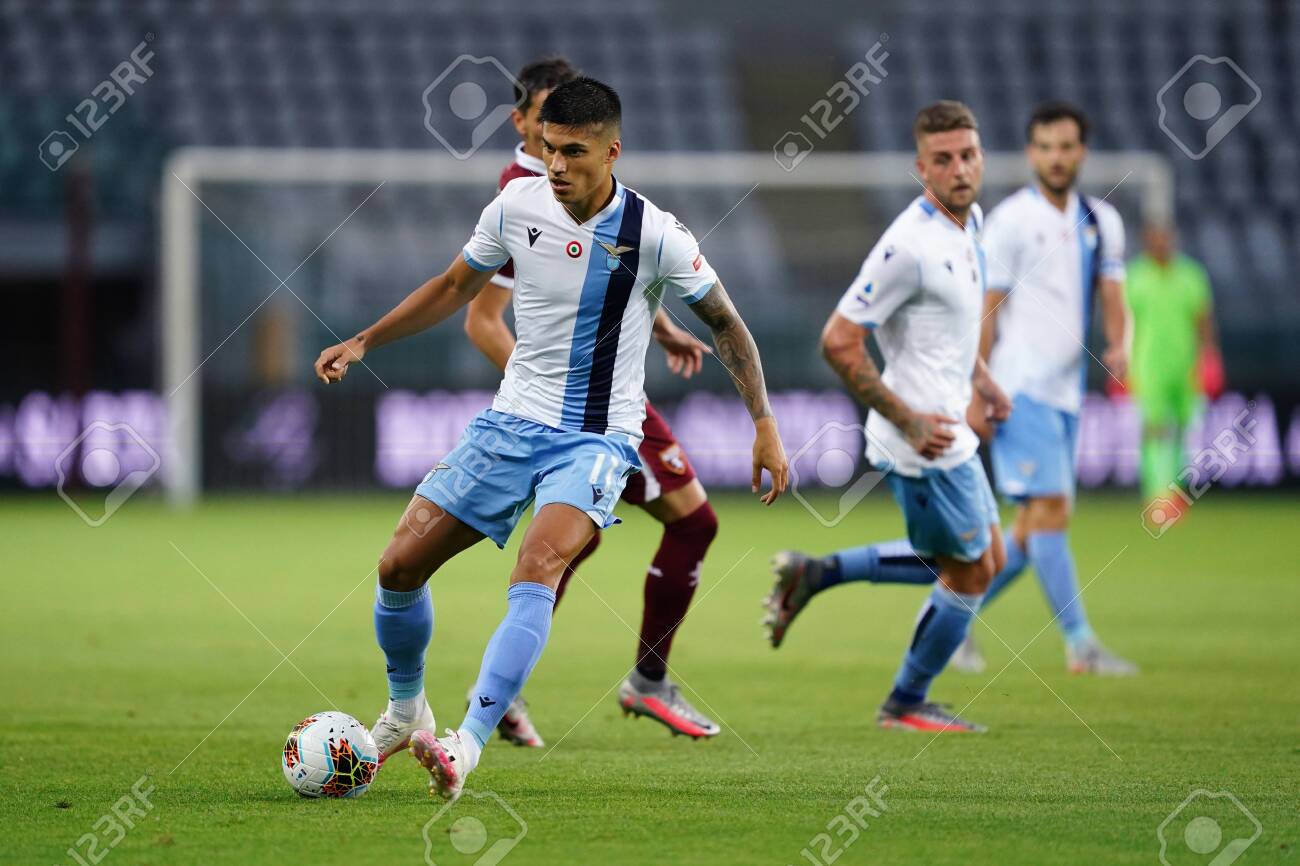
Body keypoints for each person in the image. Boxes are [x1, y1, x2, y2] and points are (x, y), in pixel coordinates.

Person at [314, 77, 788, 803]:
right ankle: (406, 709)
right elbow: (452, 287)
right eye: (546, 149)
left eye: (572, 152)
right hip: (510, 425)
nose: (556, 165)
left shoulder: (655, 233)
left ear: (610, 151)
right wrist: (365, 340)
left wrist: (764, 424)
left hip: (595, 440)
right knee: (398, 568)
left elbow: (726, 322)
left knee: (539, 568)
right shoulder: (515, 206)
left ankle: (465, 746)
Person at [464, 57, 726, 745]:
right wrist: (556, 399)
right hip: (592, 411)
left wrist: (663, 323)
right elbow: (480, 320)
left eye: (573, 139)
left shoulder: (570, 193)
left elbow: (609, 275)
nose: (560, 151)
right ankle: (642, 682)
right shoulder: (525, 197)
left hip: (601, 399)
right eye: (550, 134)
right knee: (691, 525)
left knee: (572, 543)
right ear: (523, 124)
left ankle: (508, 688)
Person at [763, 101, 1011, 733]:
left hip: (950, 427)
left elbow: (949, 334)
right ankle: (905, 702)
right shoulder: (909, 246)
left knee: (989, 557)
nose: (960, 169)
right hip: (921, 442)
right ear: (920, 167)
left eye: (969, 155)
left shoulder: (969, 222)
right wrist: (908, 420)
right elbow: (838, 340)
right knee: (970, 566)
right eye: (944, 160)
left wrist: (982, 380)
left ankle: (816, 573)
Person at [954, 101, 1137, 676]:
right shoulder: (1010, 221)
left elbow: (1112, 293)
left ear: (1081, 151)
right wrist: (978, 387)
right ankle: (1081, 646)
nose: (1056, 158)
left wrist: (1120, 342)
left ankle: (951, 617)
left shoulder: (1099, 220)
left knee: (1035, 531)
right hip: (1019, 387)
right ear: (1031, 153)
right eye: (1046, 147)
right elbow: (990, 308)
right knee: (1052, 512)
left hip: (1065, 394)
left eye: (1066, 147)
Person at [1126, 224, 1221, 508]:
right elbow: (1125, 323)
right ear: (1147, 241)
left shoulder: (1191, 275)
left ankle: (1175, 490)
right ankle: (1156, 493)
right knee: (1154, 427)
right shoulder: (1135, 276)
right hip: (1148, 364)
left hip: (1186, 363)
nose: (1161, 243)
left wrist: (1210, 357)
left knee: (1181, 426)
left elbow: (1203, 320)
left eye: (1165, 237)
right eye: (1155, 238)